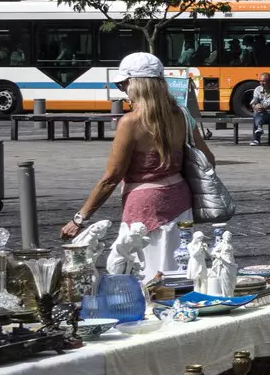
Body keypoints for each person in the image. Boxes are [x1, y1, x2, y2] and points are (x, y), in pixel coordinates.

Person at [61, 52, 215, 273]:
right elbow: (209, 159)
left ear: (135, 85)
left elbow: (111, 178)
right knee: (177, 269)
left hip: (143, 206)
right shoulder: (182, 115)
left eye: (123, 84)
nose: (122, 90)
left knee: (142, 272)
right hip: (180, 202)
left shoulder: (131, 122)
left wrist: (79, 219)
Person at [248, 71, 270, 146]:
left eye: (263, 81)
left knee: (257, 114)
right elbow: (254, 102)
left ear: (269, 82)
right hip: (261, 112)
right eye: (260, 81)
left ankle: (256, 139)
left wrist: (263, 107)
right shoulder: (257, 89)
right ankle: (259, 129)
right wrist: (255, 106)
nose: (261, 83)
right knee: (257, 113)